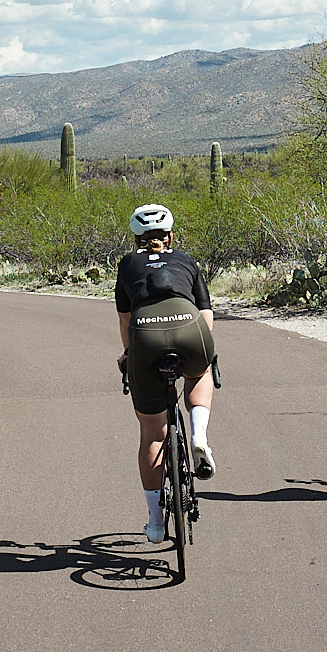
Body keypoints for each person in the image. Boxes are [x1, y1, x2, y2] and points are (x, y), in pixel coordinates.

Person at [115, 203, 218, 544]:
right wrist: (204, 351)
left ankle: (156, 522)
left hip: (146, 334)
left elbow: (126, 320)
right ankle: (199, 434)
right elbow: (206, 312)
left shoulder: (128, 264)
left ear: (136, 240)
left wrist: (131, 355)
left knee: (153, 435)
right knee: (199, 373)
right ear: (171, 237)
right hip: (189, 327)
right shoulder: (187, 261)